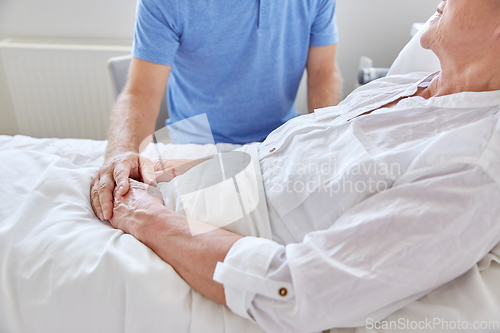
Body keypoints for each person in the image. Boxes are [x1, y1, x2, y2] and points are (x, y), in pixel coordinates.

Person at [103, 0, 500, 332]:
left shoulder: (473, 165)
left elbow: (298, 287)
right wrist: (122, 154)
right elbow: (139, 91)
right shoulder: (417, 82)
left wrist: (144, 216)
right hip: (206, 144)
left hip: (264, 149)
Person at [89, 0, 342, 223]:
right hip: (198, 149)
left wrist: (325, 136)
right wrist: (120, 152)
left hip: (279, 142)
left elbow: (323, 72)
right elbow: (141, 92)